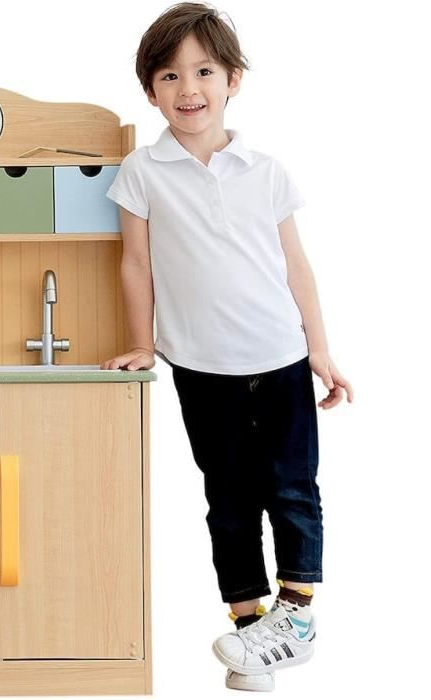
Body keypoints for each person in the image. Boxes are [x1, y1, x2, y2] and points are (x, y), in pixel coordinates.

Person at [101, 2, 354, 693]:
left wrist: (320, 349)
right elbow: (135, 264)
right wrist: (141, 343)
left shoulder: (265, 170)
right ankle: (250, 633)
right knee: (231, 500)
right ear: (150, 90)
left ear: (233, 79)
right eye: (170, 75)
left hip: (281, 359)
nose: (188, 88)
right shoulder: (142, 172)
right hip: (202, 368)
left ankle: (295, 616)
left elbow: (296, 264)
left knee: (293, 489)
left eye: (204, 71)